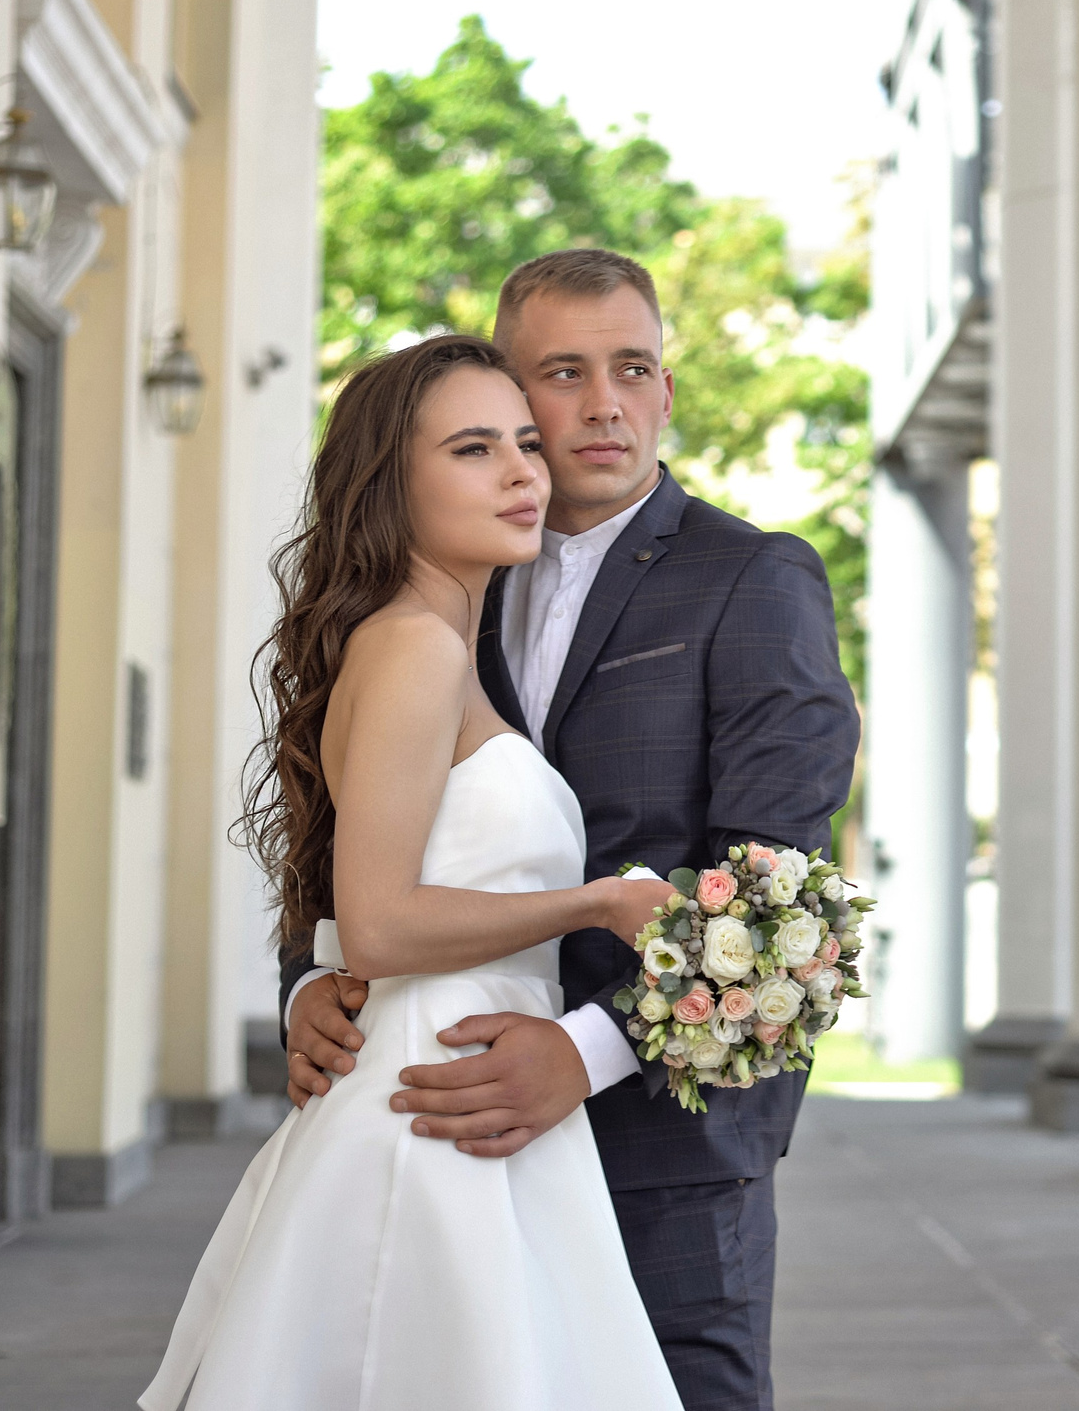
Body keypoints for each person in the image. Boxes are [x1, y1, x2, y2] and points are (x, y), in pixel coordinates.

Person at [281, 249, 860, 1411]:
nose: (604, 401)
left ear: (665, 392)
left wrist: (583, 1050)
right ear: (510, 389)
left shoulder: (755, 579)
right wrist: (314, 973)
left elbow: (775, 889)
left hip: (665, 1148)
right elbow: (356, 806)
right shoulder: (453, 574)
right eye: (563, 371)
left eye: (633, 367)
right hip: (441, 1118)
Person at [142, 334, 685, 1409]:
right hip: (424, 1110)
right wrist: (597, 901)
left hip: (473, 1103)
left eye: (526, 443)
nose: (525, 471)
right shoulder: (414, 645)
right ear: (392, 482)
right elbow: (379, 922)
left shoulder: (438, 642)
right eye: (475, 448)